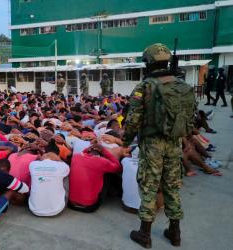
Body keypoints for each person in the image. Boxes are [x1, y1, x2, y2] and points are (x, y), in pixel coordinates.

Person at [122, 43, 196, 248]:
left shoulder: (145, 86)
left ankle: (145, 234)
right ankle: (175, 233)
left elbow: (133, 120)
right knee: (172, 185)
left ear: (149, 63)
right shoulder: (180, 85)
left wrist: (126, 142)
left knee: (149, 185)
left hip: (152, 143)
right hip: (175, 142)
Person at [68, 144, 124, 213]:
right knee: (108, 174)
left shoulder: (76, 156)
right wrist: (104, 151)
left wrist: (88, 148)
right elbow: (118, 168)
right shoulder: (103, 161)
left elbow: (82, 153)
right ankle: (114, 193)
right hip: (88, 206)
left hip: (70, 203)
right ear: (100, 155)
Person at [28, 142, 70, 217]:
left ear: (45, 153)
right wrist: (58, 159)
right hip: (56, 210)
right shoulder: (63, 165)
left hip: (34, 209)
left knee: (35, 177)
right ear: (57, 155)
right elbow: (66, 167)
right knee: (65, 175)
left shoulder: (33, 164)